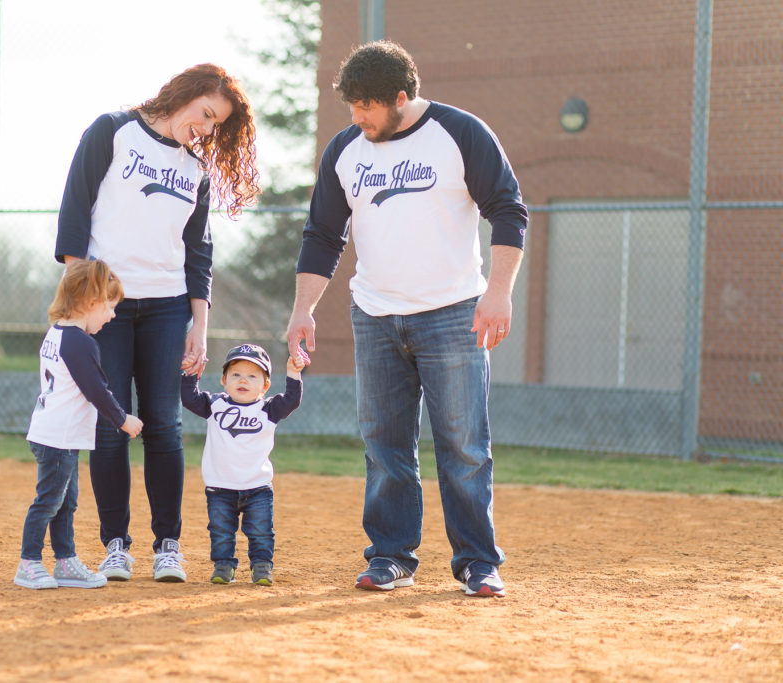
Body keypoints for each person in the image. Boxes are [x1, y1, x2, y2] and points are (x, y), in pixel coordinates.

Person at [286, 41, 528, 598]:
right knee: (384, 445)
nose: (357, 118)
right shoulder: (347, 149)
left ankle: (477, 563)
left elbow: (508, 209)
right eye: (351, 107)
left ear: (401, 97)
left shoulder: (460, 133)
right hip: (374, 315)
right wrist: (304, 309)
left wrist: (498, 293)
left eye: (367, 107)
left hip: (454, 314)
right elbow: (323, 235)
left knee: (464, 444)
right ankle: (390, 556)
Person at [54, 64, 260, 582]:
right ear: (185, 95)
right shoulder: (113, 131)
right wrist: (82, 302)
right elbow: (75, 210)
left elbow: (199, 255)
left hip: (168, 307)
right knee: (110, 424)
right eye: (206, 115)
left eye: (217, 126)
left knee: (164, 426)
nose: (207, 130)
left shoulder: (195, 169)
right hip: (109, 307)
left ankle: (168, 544)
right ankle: (115, 546)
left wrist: (200, 324)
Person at [15, 260, 144, 590]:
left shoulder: (57, 333)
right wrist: (123, 419)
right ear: (91, 301)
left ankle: (65, 561)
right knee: (49, 501)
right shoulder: (80, 342)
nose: (112, 315)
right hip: (58, 437)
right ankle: (28, 563)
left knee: (65, 501)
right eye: (110, 307)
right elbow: (97, 392)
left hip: (55, 433)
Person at [180, 344, 306, 586]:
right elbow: (189, 398)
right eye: (236, 374)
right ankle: (223, 566)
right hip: (219, 488)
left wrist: (293, 373)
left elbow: (292, 400)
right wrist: (190, 373)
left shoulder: (268, 409)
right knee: (220, 532)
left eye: (252, 376)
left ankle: (261, 567)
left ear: (265, 385)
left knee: (260, 532)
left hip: (257, 487)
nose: (243, 380)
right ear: (224, 380)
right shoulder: (215, 405)